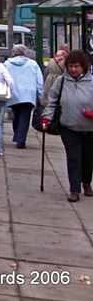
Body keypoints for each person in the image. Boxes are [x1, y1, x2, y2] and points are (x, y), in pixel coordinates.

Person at [42, 51, 93, 202]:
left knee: (88, 158)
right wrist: (47, 117)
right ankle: (74, 189)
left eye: (76, 66)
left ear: (83, 66)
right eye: (70, 66)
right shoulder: (61, 81)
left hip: (90, 128)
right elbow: (52, 102)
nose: (73, 69)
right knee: (73, 157)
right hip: (69, 127)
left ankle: (86, 182)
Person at [5, 44, 43, 149]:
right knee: (25, 116)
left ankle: (18, 136)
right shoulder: (33, 64)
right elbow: (39, 81)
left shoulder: (7, 64)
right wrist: (40, 94)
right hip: (28, 94)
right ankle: (21, 139)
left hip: (14, 93)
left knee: (16, 115)